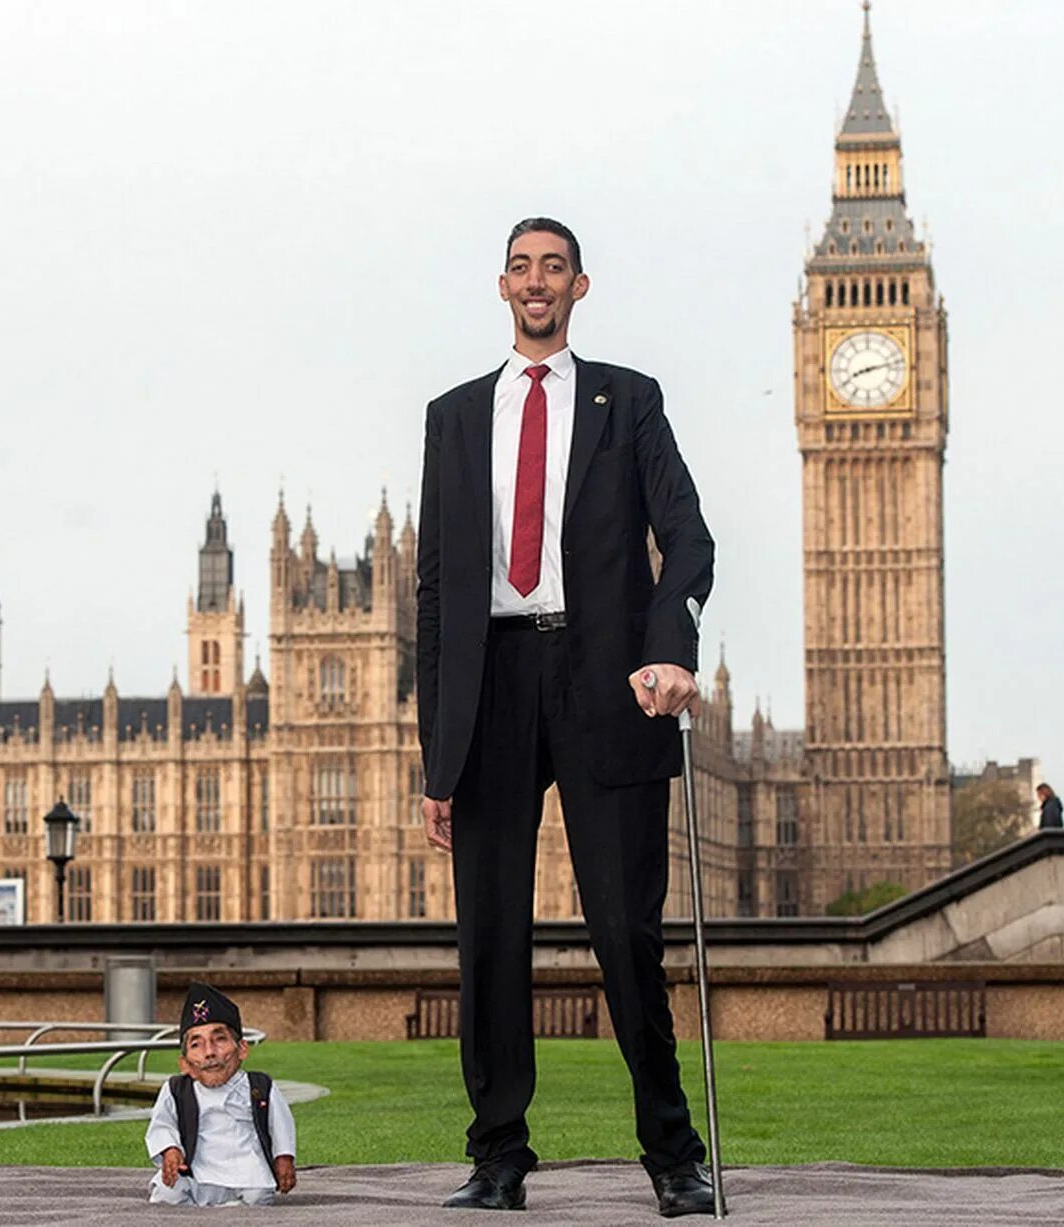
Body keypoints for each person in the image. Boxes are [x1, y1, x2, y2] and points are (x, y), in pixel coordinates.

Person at [415, 217, 716, 1217]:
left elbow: (687, 536)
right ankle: (498, 1156)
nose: (535, 282)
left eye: (553, 267)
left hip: (604, 679)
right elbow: (435, 593)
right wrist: (436, 757)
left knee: (625, 931)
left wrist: (669, 644)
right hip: (493, 682)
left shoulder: (626, 401)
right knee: (488, 936)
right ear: (500, 286)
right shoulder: (452, 416)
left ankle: (672, 1153)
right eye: (520, 266)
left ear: (578, 287)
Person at [144, 981, 296, 1207]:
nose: (209, 1053)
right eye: (197, 1044)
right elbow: (162, 1124)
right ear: (184, 1063)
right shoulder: (177, 1089)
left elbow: (281, 1124)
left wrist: (283, 1157)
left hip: (247, 1170)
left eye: (220, 1039)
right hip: (198, 1169)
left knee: (259, 1196)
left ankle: (234, 1209)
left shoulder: (260, 1087)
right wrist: (170, 1150)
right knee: (169, 1193)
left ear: (242, 1049)